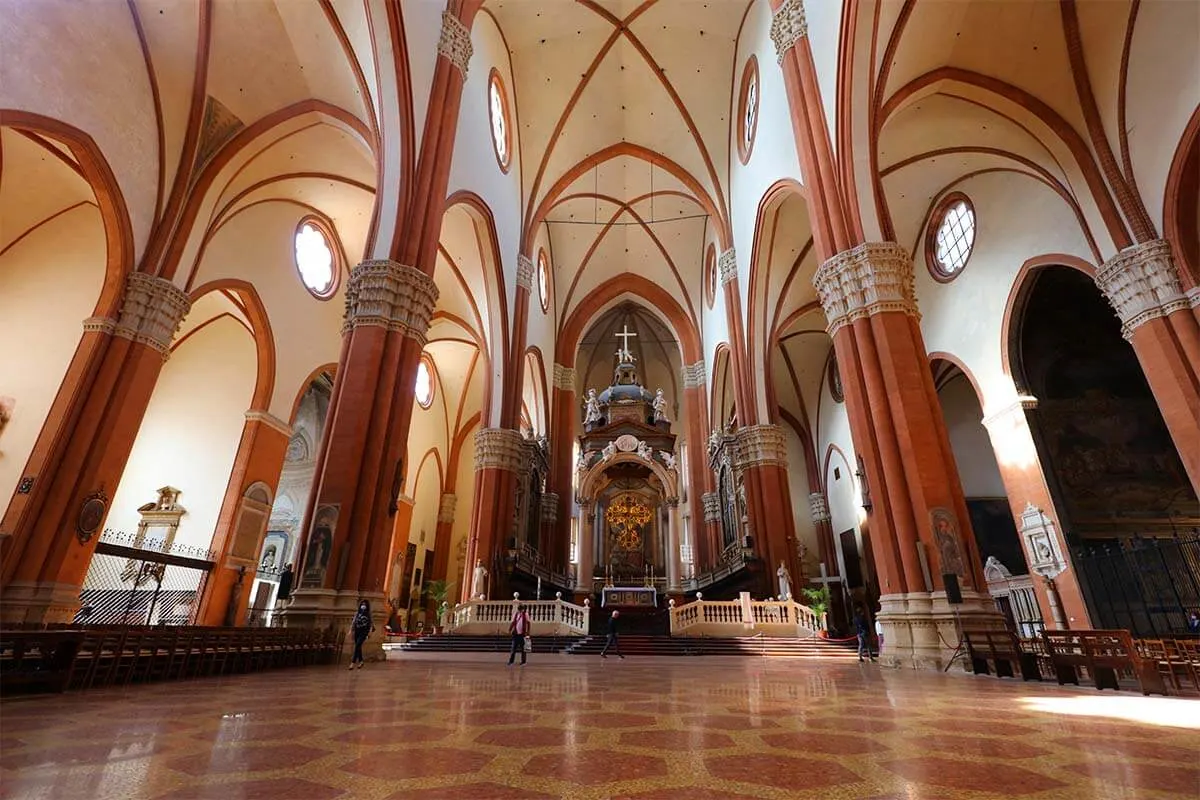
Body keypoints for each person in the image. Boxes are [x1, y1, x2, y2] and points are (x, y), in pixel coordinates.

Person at [349, 600, 374, 670]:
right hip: (357, 630)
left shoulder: (369, 614)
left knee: (357, 644)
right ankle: (361, 661)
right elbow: (354, 622)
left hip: (364, 631)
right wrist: (351, 630)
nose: (363, 606)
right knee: (358, 646)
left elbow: (371, 624)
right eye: (362, 604)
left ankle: (352, 663)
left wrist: (370, 632)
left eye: (365, 605)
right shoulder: (357, 613)